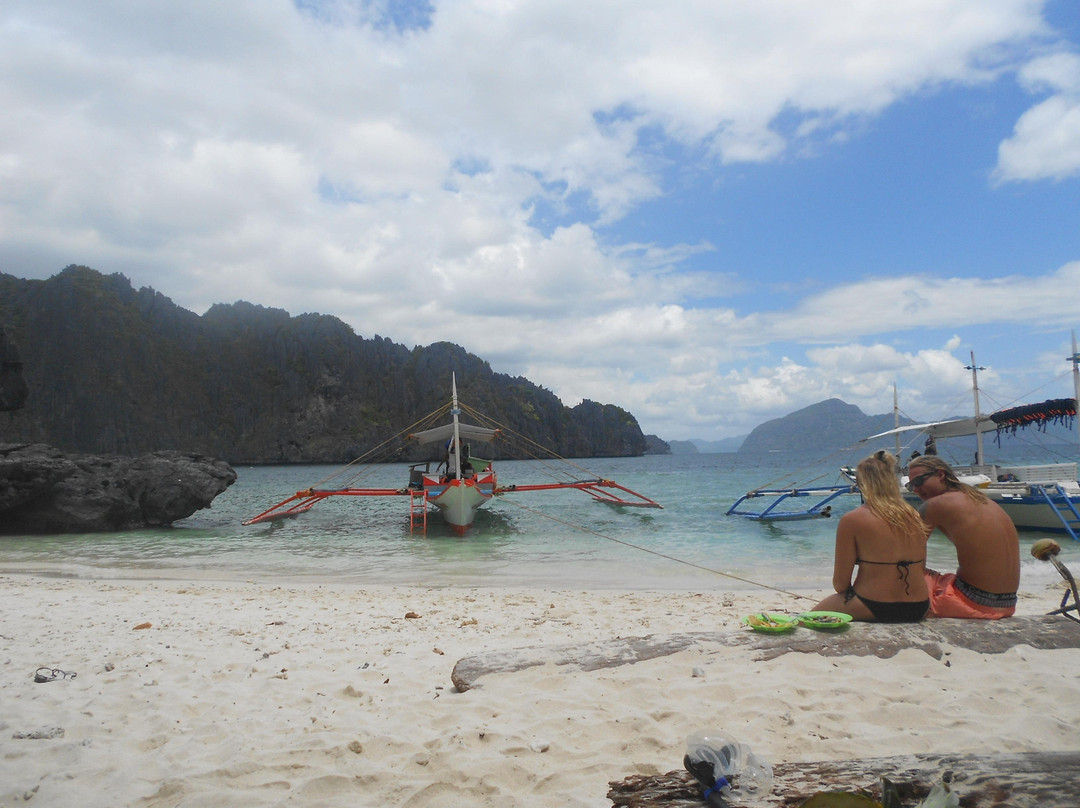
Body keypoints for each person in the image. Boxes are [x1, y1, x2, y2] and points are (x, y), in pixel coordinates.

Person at [813, 451, 930, 622]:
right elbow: (921, 569)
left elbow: (840, 584)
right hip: (918, 606)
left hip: (874, 605)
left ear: (862, 483)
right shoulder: (914, 516)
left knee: (804, 620)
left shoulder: (852, 519)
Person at [905, 456, 1020, 619]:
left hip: (974, 602)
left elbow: (906, 556)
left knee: (902, 574)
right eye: (910, 486)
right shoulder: (981, 499)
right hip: (1007, 604)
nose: (915, 489)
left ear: (940, 475)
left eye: (919, 482)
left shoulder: (935, 505)